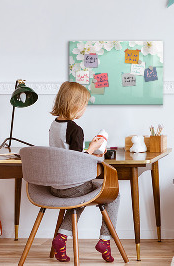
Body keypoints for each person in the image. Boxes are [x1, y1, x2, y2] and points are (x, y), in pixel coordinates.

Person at [49, 81, 119, 263]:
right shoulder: (75, 129)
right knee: (114, 194)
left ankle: (61, 238)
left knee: (80, 198)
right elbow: (76, 161)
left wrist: (88, 150)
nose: (85, 109)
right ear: (75, 105)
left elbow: (66, 155)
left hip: (55, 186)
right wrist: (93, 149)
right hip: (72, 186)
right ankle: (105, 240)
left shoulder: (54, 125)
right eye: (85, 104)